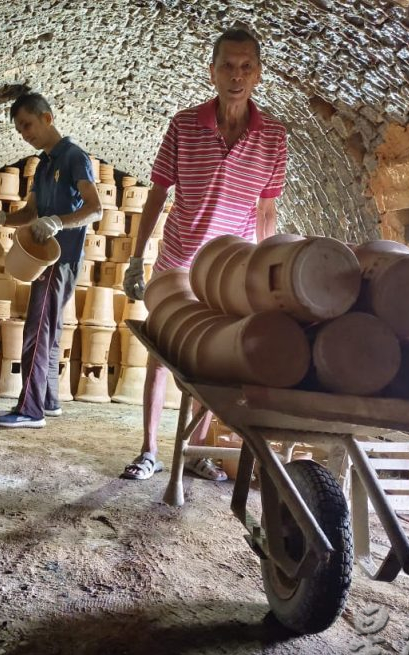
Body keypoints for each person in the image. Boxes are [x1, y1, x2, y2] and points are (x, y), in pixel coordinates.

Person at [120, 28, 288, 480]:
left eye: (246, 67)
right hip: (177, 256)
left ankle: (195, 451)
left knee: (215, 357)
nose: (237, 76)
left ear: (258, 73)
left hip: (227, 268)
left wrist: (262, 272)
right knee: (161, 351)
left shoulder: (273, 135)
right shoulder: (184, 125)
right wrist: (137, 258)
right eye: (228, 66)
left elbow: (266, 210)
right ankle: (150, 449)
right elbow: (157, 193)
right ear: (211, 71)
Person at [0, 92, 102, 429]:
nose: (25, 133)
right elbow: (31, 213)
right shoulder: (43, 164)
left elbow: (95, 208)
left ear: (47, 118)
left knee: (38, 329)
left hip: (59, 260)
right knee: (50, 327)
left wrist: (60, 222)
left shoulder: (74, 157)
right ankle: (47, 400)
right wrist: (2, 219)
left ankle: (29, 410)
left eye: (28, 125)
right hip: (41, 256)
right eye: (20, 130)